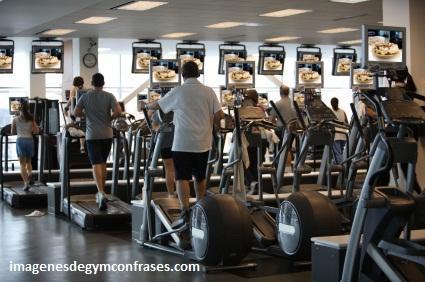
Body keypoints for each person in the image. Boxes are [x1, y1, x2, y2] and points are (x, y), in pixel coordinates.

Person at [143, 61, 224, 234]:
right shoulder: (208, 91)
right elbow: (219, 114)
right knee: (200, 177)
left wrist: (147, 105)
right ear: (198, 74)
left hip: (183, 142)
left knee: (182, 177)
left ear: (182, 74)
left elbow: (159, 105)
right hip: (203, 142)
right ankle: (201, 207)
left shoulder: (178, 91)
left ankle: (185, 210)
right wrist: (215, 127)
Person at [73, 73, 122, 210]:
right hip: (107, 133)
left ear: (92, 83)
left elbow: (76, 113)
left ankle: (100, 191)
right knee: (103, 163)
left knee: (96, 163)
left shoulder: (85, 96)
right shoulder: (109, 96)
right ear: (103, 83)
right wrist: (110, 118)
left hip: (92, 134)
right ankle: (103, 191)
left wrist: (86, 115)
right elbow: (118, 112)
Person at [239, 89, 268, 193]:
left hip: (249, 140)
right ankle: (255, 184)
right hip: (261, 140)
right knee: (256, 162)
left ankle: (252, 182)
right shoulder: (260, 109)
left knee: (243, 161)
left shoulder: (244, 110)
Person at [11, 102, 39, 191]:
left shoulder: (15, 119)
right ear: (28, 109)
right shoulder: (31, 118)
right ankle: (30, 173)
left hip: (21, 140)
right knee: (28, 161)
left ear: (19, 109)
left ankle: (26, 183)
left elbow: (12, 132)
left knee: (22, 164)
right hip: (30, 140)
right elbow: (36, 131)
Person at [151, 110, 176, 198]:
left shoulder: (158, 110)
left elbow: (154, 126)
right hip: (179, 141)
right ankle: (181, 193)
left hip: (165, 141)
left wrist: (161, 128)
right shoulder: (179, 106)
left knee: (169, 169)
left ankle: (171, 194)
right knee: (179, 168)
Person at [65, 76, 86, 153]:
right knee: (81, 127)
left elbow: (70, 99)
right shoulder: (85, 89)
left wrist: (66, 108)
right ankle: (82, 146)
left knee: (73, 125)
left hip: (74, 110)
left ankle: (73, 139)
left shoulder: (73, 88)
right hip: (82, 111)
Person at [330, 97, 348, 164]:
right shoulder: (343, 111)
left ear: (331, 104)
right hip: (343, 134)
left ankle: (342, 166)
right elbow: (347, 123)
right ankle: (335, 163)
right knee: (340, 152)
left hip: (336, 135)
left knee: (337, 152)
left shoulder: (330, 111)